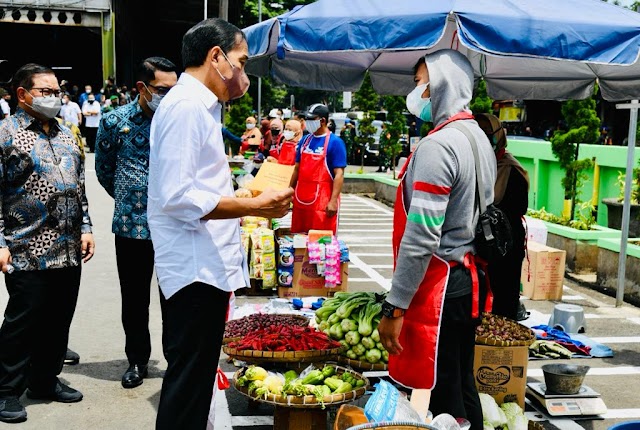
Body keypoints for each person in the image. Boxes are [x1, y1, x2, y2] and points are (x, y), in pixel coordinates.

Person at [147, 18, 293, 429]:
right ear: (217, 57)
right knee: (188, 385)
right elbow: (177, 196)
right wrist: (254, 206)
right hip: (194, 270)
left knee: (194, 382)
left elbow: (195, 184)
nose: (244, 73)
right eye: (242, 62)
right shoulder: (186, 107)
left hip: (203, 266)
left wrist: (245, 195)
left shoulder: (199, 107)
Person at [377, 50, 496, 430]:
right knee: (462, 385)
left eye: (420, 84)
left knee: (445, 397)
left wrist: (395, 308)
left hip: (441, 286)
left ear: (442, 86)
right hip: (469, 282)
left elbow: (421, 235)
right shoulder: (477, 136)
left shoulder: (438, 146)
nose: (417, 94)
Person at [0, 63, 95, 424]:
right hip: (26, 247)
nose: (54, 97)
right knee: (23, 321)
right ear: (22, 94)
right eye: (45, 91)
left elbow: (78, 186)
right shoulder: (5, 134)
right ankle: (7, 389)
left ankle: (44, 379)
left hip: (68, 247)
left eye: (57, 91)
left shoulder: (67, 134)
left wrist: (86, 227)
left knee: (58, 318)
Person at [95, 57, 178, 389]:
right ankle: (137, 360)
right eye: (162, 90)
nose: (169, 97)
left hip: (173, 225)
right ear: (142, 88)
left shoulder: (177, 120)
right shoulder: (115, 121)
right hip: (131, 227)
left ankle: (176, 359)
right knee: (134, 298)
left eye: (175, 90)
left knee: (174, 295)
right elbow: (104, 170)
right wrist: (131, 198)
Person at [475, 113, 530, 321]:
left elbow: (520, 208)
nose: (484, 139)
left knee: (503, 303)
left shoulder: (510, 169)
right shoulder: (473, 165)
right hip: (478, 245)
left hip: (506, 246)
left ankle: (502, 349)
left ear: (499, 136)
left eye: (489, 134)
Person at [289, 103, 347, 235]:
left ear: (322, 121)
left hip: (322, 203)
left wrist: (333, 201)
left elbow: (339, 174)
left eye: (311, 119)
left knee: (320, 244)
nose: (307, 122)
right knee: (299, 240)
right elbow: (297, 169)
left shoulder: (335, 142)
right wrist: (289, 191)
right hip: (300, 201)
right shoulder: (305, 140)